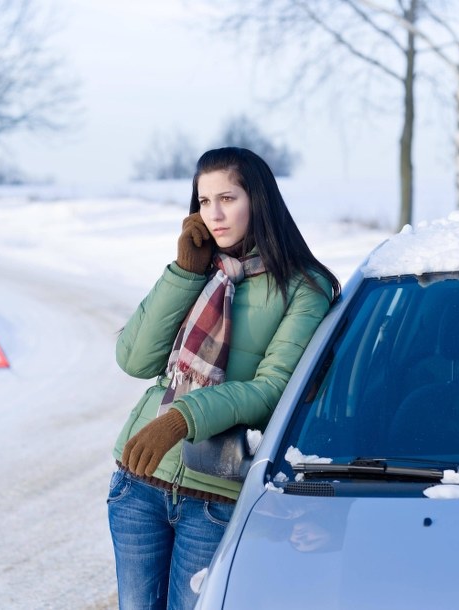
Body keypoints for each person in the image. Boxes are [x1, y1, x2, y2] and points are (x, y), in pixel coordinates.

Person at [108, 146, 340, 609]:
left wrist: (181, 419)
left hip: (214, 497)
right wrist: (184, 273)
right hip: (139, 485)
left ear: (258, 199)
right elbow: (134, 360)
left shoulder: (305, 287)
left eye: (227, 198)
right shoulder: (201, 269)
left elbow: (274, 389)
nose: (213, 214)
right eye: (203, 200)